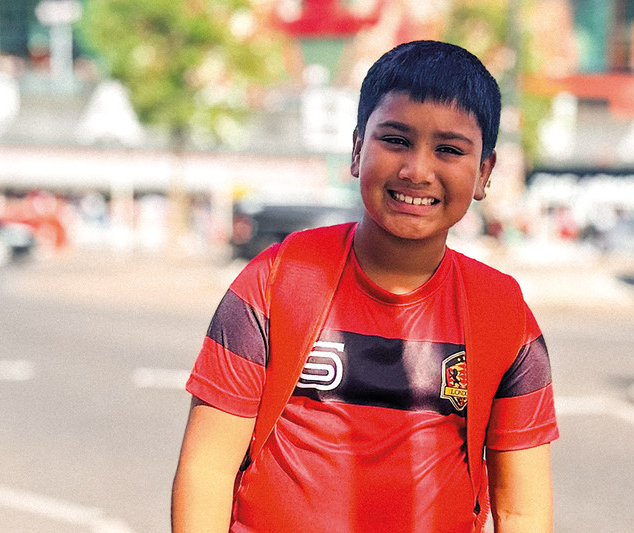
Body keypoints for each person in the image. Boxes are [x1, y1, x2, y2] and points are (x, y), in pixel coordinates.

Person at [172, 40, 559, 533]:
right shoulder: (274, 281)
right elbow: (207, 470)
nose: (417, 171)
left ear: (484, 172)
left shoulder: (503, 314)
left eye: (448, 150)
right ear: (357, 150)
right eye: (395, 140)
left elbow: (521, 511)